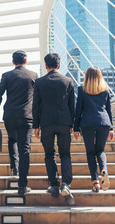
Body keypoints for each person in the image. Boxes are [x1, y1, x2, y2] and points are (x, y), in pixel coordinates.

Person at [0, 50, 38, 196]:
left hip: (10, 115)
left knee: (12, 140)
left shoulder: (7, 75)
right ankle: (22, 185)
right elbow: (38, 99)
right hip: (27, 116)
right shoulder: (33, 76)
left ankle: (14, 168)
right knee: (25, 148)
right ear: (26, 61)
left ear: (13, 62)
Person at [32, 53, 75, 205]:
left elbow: (35, 106)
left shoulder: (39, 82)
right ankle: (66, 184)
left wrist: (35, 126)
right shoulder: (68, 81)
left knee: (49, 154)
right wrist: (72, 125)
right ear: (59, 65)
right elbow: (72, 106)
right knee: (65, 154)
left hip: (46, 123)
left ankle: (54, 185)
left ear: (46, 65)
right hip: (64, 123)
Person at [74, 67, 114, 192]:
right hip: (104, 122)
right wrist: (111, 128)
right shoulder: (105, 90)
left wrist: (76, 128)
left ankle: (96, 182)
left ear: (87, 76)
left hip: (87, 123)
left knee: (90, 153)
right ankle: (104, 170)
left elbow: (78, 110)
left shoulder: (82, 90)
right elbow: (109, 110)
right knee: (100, 150)